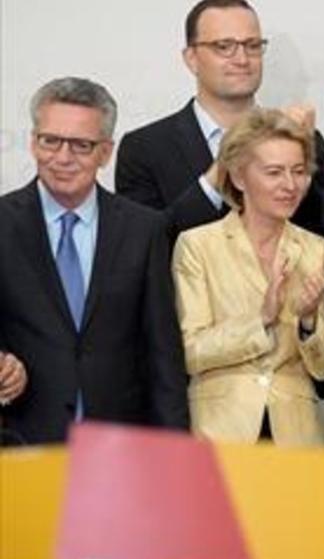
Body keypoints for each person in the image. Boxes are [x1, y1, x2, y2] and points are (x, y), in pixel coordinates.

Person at [0, 77, 188, 446]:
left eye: (81, 145)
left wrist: (174, 455)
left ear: (106, 152)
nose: (63, 158)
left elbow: (162, 356)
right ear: (32, 142)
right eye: (50, 141)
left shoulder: (143, 229)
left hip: (119, 449)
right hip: (21, 445)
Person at [172, 109, 324, 444]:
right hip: (219, 433)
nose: (290, 185)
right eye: (274, 172)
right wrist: (261, 320)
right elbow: (189, 351)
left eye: (298, 171)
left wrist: (308, 323)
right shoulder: (197, 245)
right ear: (238, 177)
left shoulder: (315, 248)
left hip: (296, 438)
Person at [115, 0, 324, 238]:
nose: (242, 59)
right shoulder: (143, 149)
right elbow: (146, 245)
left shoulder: (302, 136)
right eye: (224, 46)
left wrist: (299, 161)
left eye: (252, 45)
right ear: (191, 58)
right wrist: (219, 174)